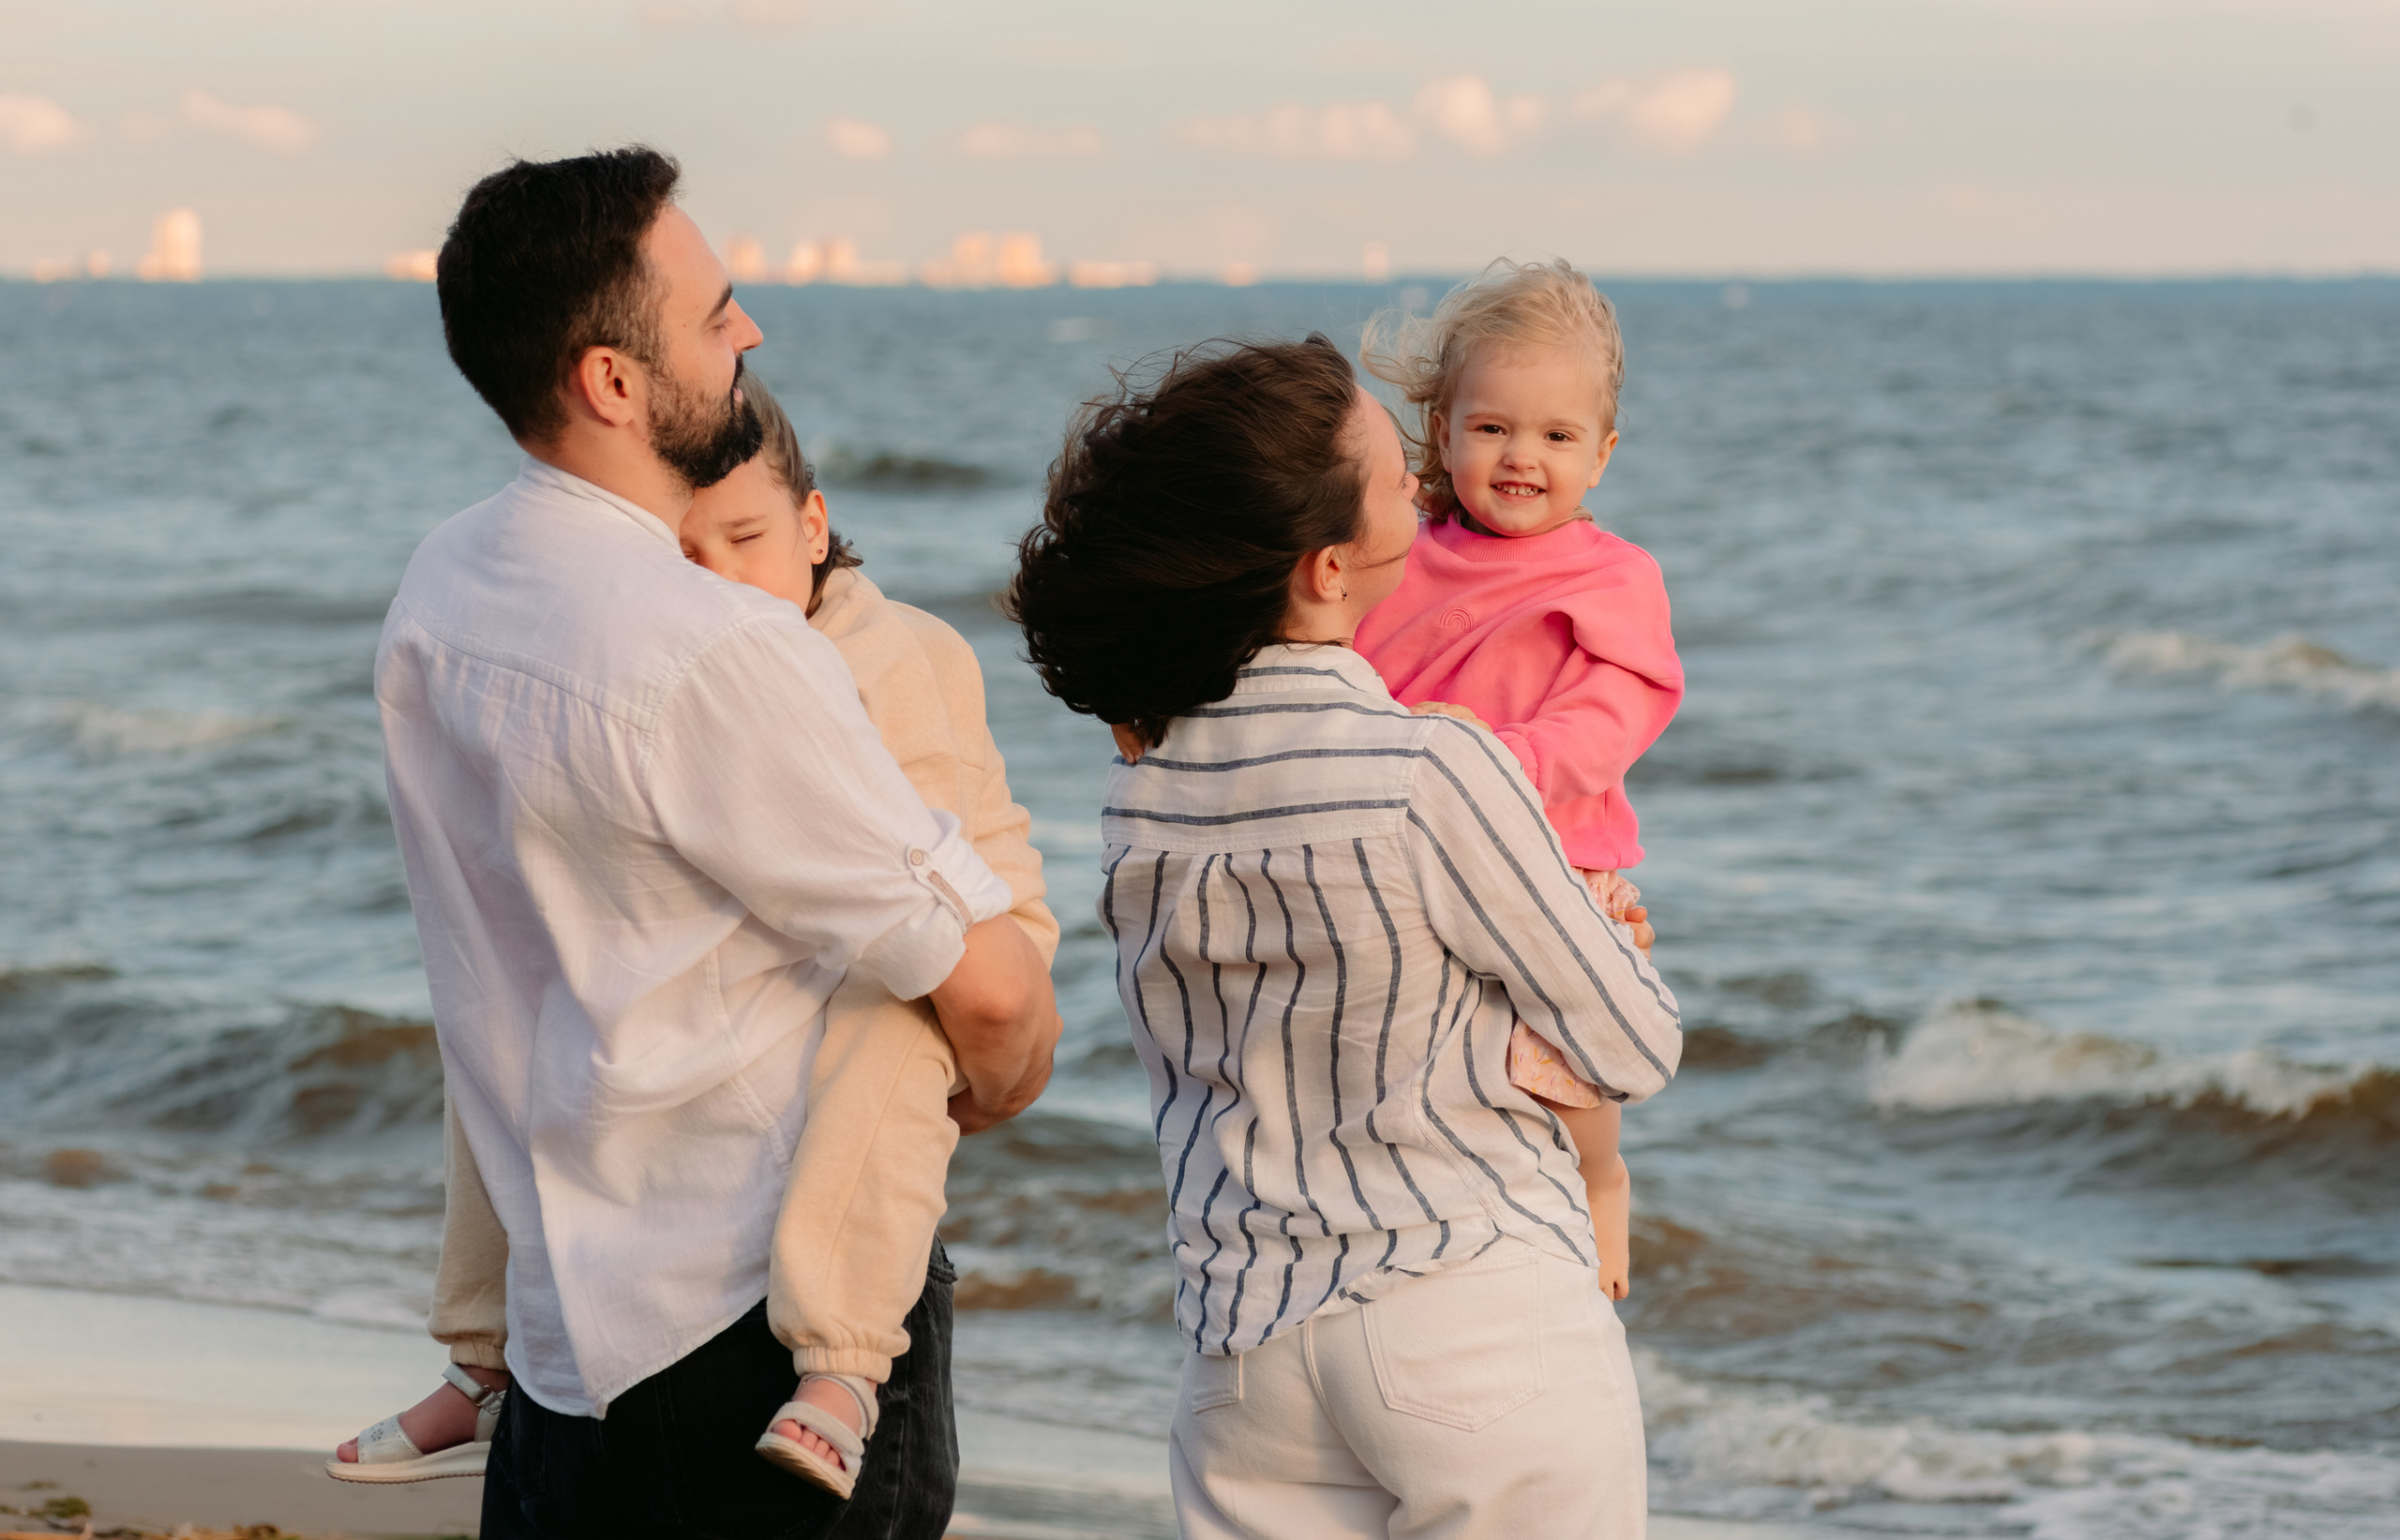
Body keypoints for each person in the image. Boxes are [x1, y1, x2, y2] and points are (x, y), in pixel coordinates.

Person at [363, 146, 1058, 1539]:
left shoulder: (438, 590)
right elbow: (980, 983)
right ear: (611, 381)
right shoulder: (716, 649)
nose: (748, 332)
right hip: (744, 1331)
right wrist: (999, 1071)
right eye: (714, 312)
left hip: (562, 1344)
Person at [1007, 335, 1681, 1538]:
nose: (1421, 490)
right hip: (1469, 1317)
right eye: (1390, 478)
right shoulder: (1436, 769)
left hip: (1246, 1354)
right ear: (1326, 569)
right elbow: (1633, 1046)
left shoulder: (1139, 795)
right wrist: (1604, 928)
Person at [1353, 258, 1683, 1301]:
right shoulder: (1401, 553)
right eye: (1492, 428)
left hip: (1551, 849)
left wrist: (1499, 762)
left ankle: (1600, 1186)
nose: (1520, 457)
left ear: (1602, 453)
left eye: (1555, 436)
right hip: (1405, 856)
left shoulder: (1611, 577)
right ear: (1442, 430)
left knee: (1568, 1046)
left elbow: (1611, 716)